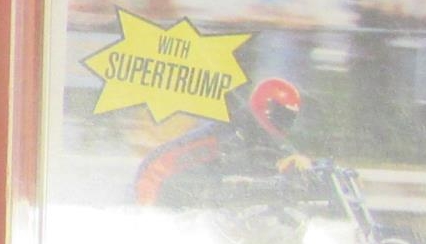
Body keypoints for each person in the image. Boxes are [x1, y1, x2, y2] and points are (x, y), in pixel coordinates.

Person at [133, 77, 311, 208]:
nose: (284, 124)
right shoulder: (225, 136)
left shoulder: (268, 140)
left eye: (289, 118)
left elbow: (285, 160)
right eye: (281, 115)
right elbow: (155, 166)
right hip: (172, 205)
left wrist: (296, 162)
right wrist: (146, 214)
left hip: (220, 209)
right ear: (266, 107)